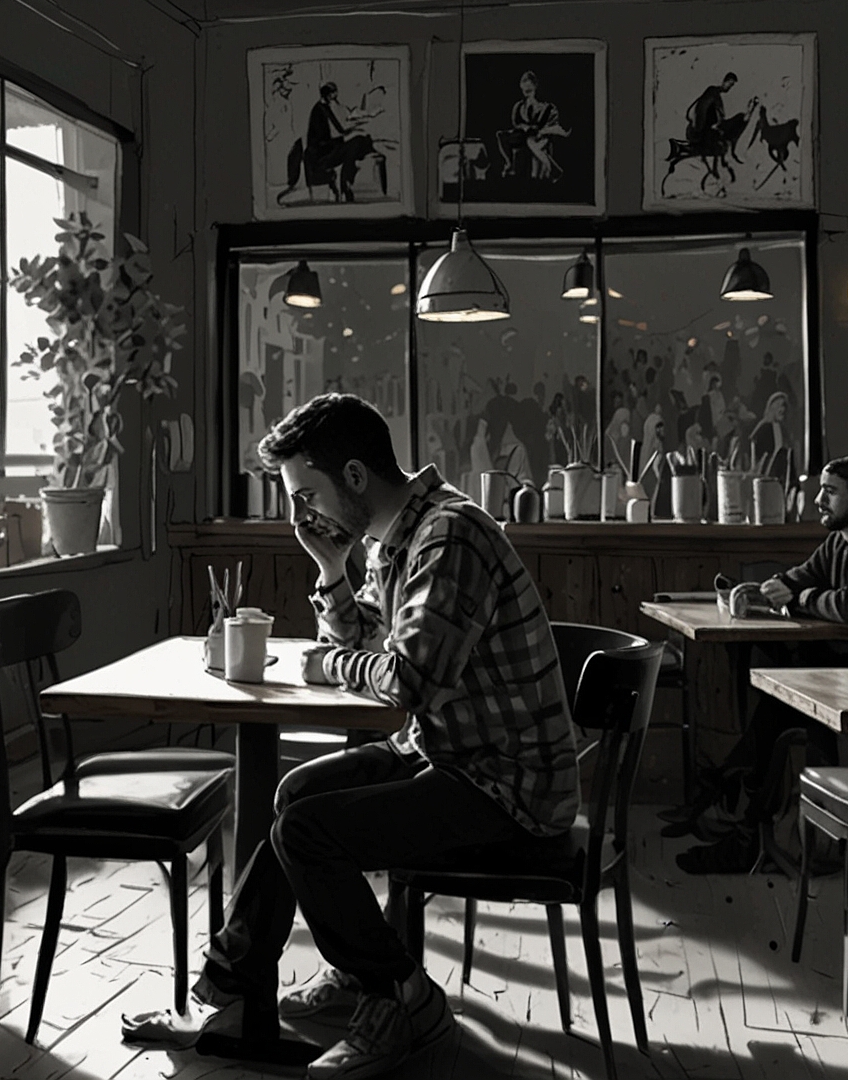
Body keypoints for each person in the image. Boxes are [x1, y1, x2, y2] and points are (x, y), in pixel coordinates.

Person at [122, 394, 580, 1080]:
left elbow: (409, 681)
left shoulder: (449, 536)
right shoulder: (400, 534)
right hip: (450, 755)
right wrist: (330, 570)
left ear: (356, 478)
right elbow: (369, 641)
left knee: (310, 832)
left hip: (509, 785)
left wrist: (333, 661)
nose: (305, 513)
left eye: (309, 494)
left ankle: (400, 997)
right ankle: (232, 990)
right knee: (296, 793)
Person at [672, 455, 848, 875]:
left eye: (830, 492)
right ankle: (747, 821)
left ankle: (737, 812)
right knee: (778, 697)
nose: (819, 500)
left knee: (780, 703)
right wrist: (761, 590)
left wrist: (797, 598)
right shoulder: (841, 539)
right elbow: (797, 578)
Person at [495, 70, 570, 181]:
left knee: (531, 142)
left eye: (529, 89)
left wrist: (542, 132)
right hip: (523, 135)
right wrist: (524, 127)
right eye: (525, 90)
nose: (527, 92)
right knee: (501, 135)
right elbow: (515, 122)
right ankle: (509, 163)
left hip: (541, 136)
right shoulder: (519, 105)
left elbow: (553, 124)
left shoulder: (547, 107)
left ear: (535, 86)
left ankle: (554, 170)